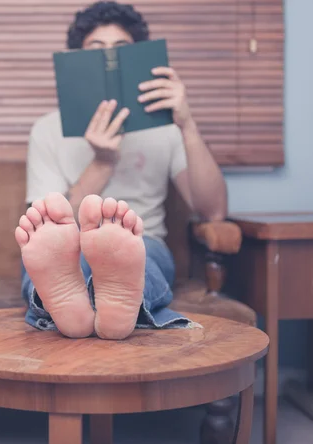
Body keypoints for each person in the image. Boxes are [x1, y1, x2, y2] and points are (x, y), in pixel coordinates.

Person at [15, 1, 227, 340]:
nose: (108, 59)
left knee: (141, 258)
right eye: (96, 50)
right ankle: (101, 304)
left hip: (144, 242)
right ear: (78, 61)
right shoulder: (48, 129)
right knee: (60, 258)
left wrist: (186, 124)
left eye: (121, 50)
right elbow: (45, 226)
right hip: (71, 244)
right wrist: (103, 162)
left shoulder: (166, 129)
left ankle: (77, 308)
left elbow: (213, 210)